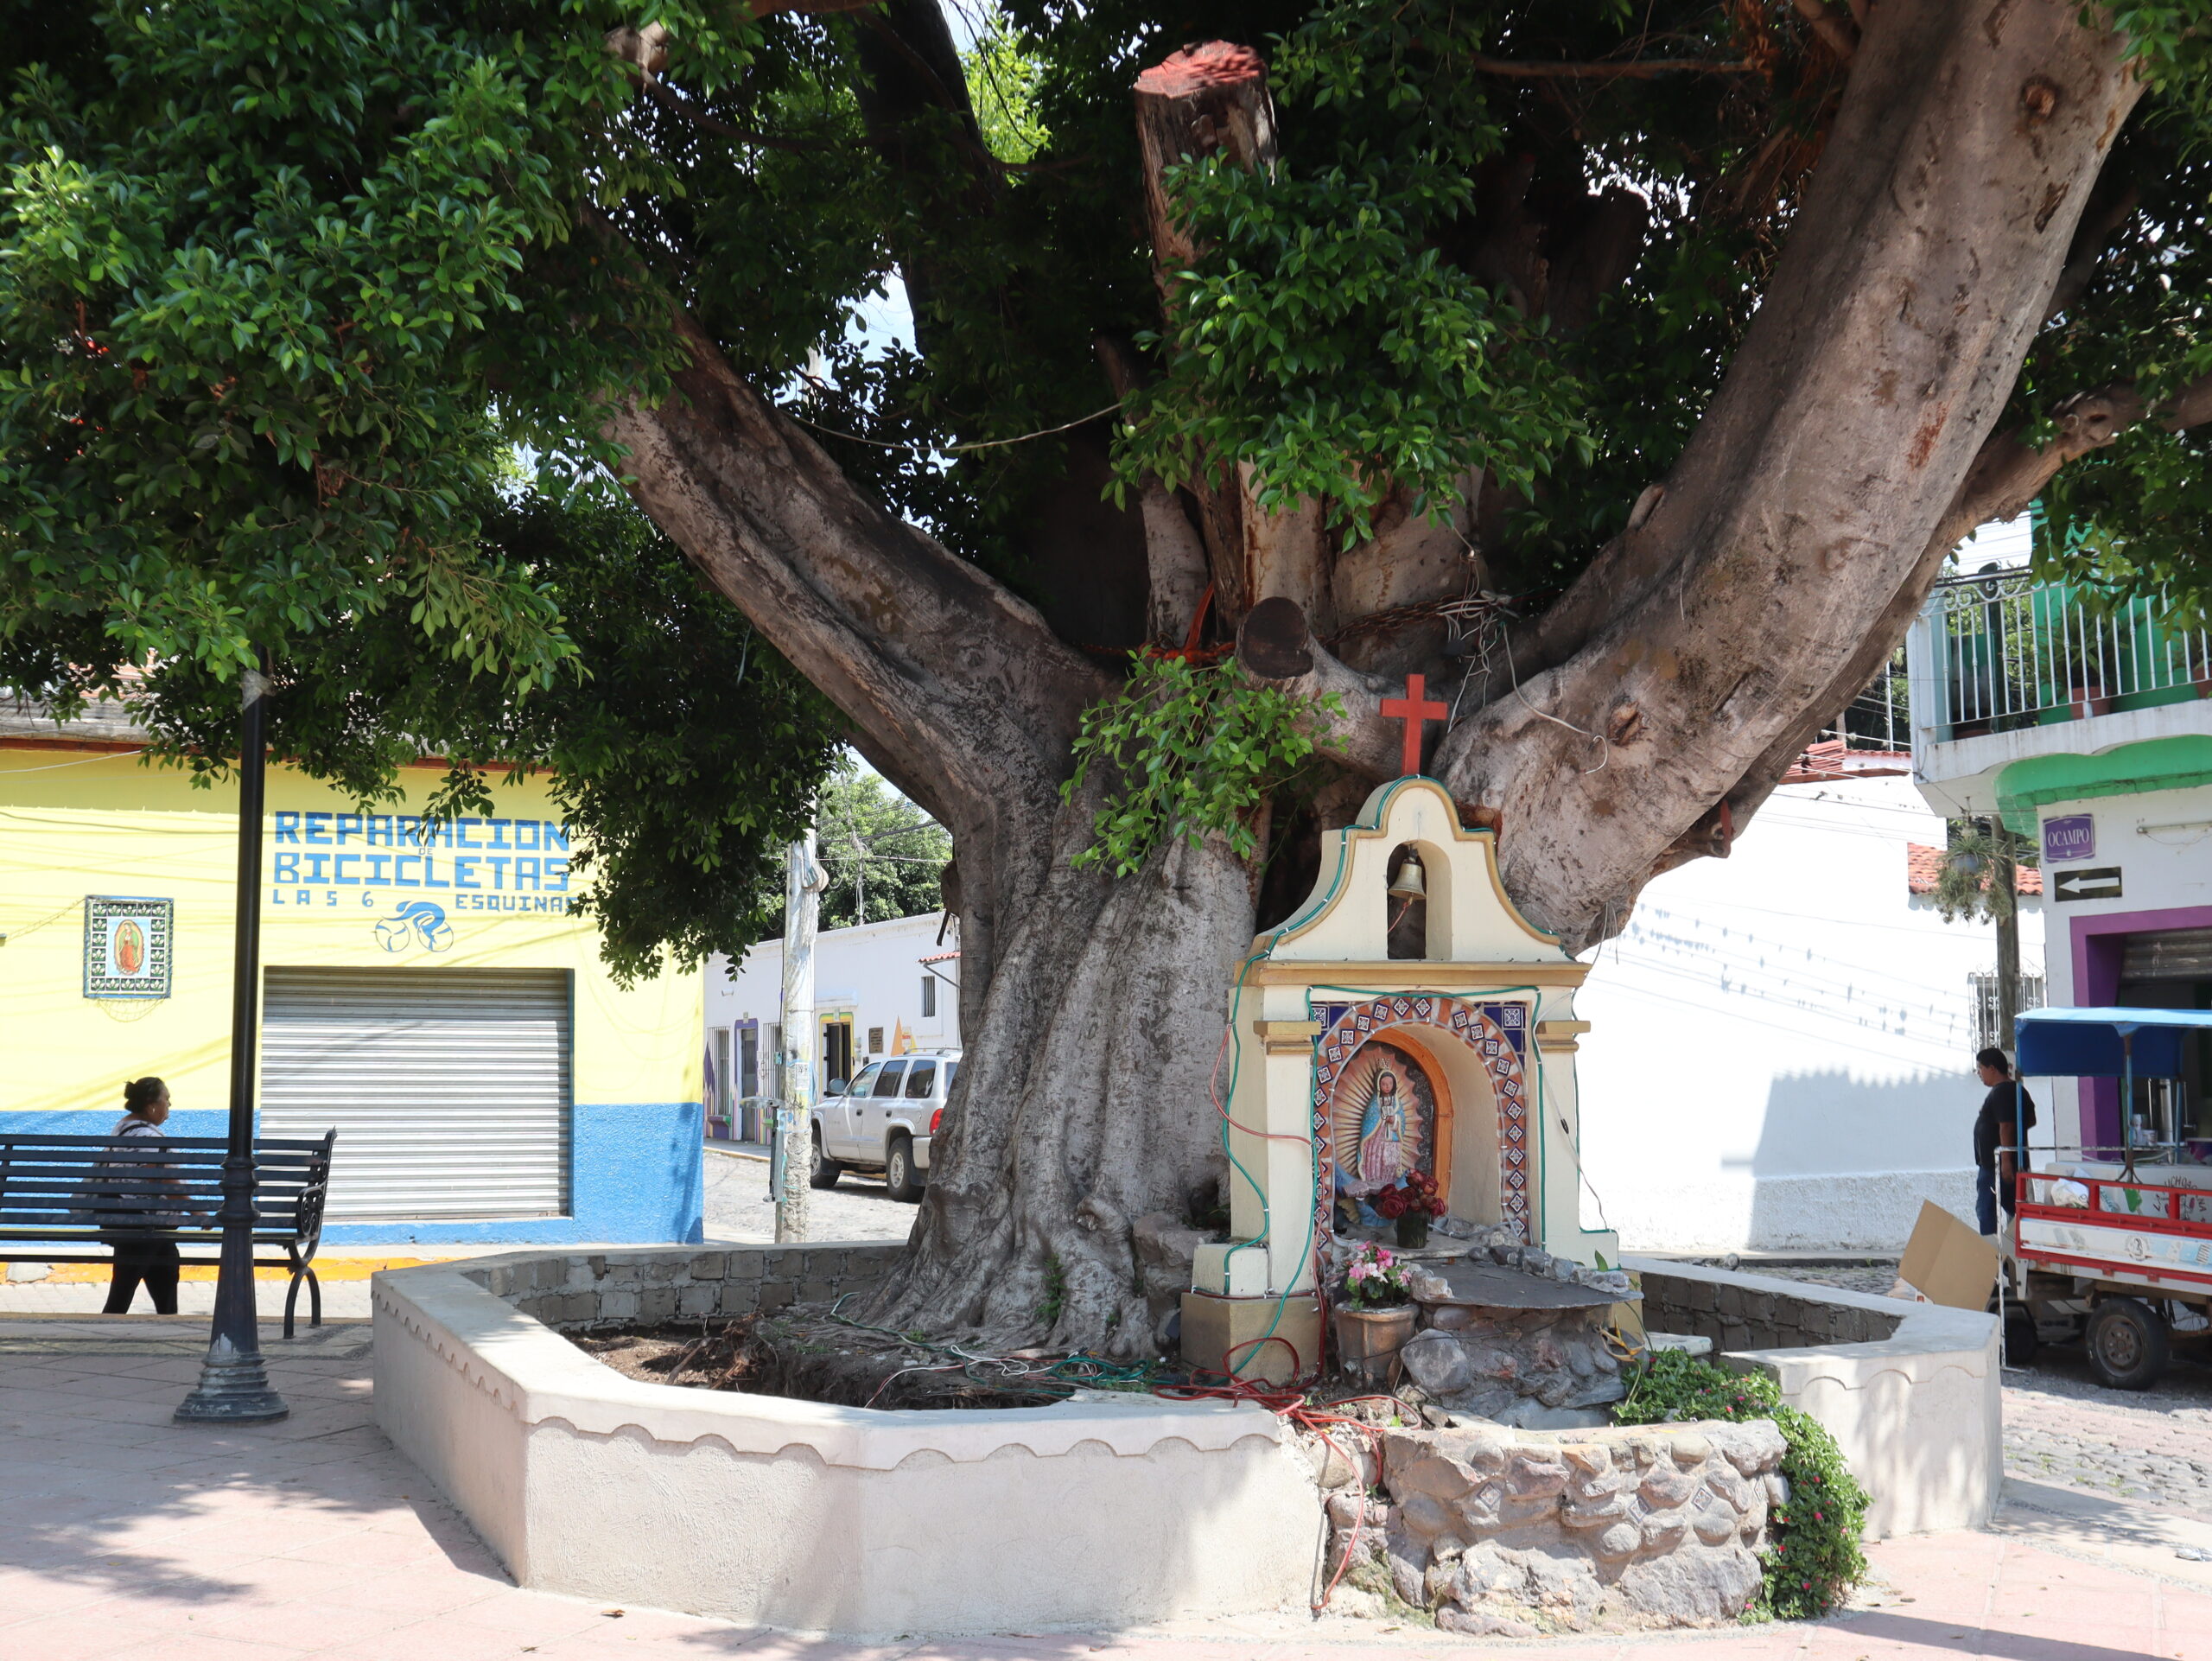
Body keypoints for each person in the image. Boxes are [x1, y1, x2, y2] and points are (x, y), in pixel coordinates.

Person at [99, 1077, 186, 1315]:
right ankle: (109, 1325)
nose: (169, 1104)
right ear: (151, 1105)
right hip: (143, 1224)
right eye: (166, 1099)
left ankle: (169, 1323)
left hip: (144, 1224)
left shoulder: (123, 1127)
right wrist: (195, 1209)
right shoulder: (147, 1136)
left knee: (165, 1271)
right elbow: (163, 1177)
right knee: (123, 1291)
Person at [1973, 1047, 2037, 1238]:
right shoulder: (2017, 1089)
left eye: (1981, 1068)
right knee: (2012, 1206)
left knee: (1987, 1210)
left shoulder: (2002, 1091)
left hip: (1998, 1165)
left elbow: (2007, 1126)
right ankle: (2016, 1244)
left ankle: (1992, 1249)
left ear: (1992, 1068)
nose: (1979, 1073)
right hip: (2003, 1163)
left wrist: (2006, 1161)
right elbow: (2030, 1120)